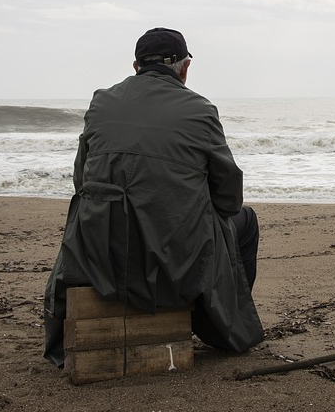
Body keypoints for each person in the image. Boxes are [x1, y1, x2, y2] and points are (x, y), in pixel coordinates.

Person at [43, 27, 263, 367]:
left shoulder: (101, 101)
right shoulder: (200, 110)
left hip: (98, 256)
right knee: (245, 222)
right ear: (185, 68)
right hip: (173, 262)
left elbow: (81, 180)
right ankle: (221, 325)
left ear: (135, 66)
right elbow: (229, 197)